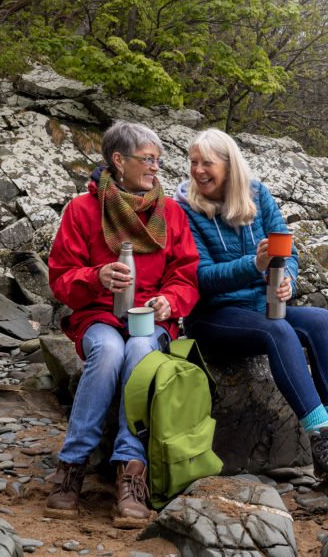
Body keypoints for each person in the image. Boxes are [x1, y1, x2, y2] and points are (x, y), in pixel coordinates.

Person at [174, 128, 328, 489]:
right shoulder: (183, 208)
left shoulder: (257, 194)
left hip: (261, 306)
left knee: (322, 320)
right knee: (277, 331)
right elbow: (199, 277)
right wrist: (254, 265)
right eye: (194, 163)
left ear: (229, 165)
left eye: (207, 163)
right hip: (213, 316)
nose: (198, 170)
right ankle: (322, 443)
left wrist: (288, 280)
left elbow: (288, 251)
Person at [47, 121, 200, 528]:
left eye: (158, 160)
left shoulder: (170, 213)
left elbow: (186, 273)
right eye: (147, 159)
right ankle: (72, 464)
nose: (156, 168)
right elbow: (61, 278)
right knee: (110, 349)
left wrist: (171, 301)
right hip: (96, 315)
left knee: (139, 350)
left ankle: (130, 471)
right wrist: (95, 277)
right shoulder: (82, 210)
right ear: (118, 161)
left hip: (150, 320)